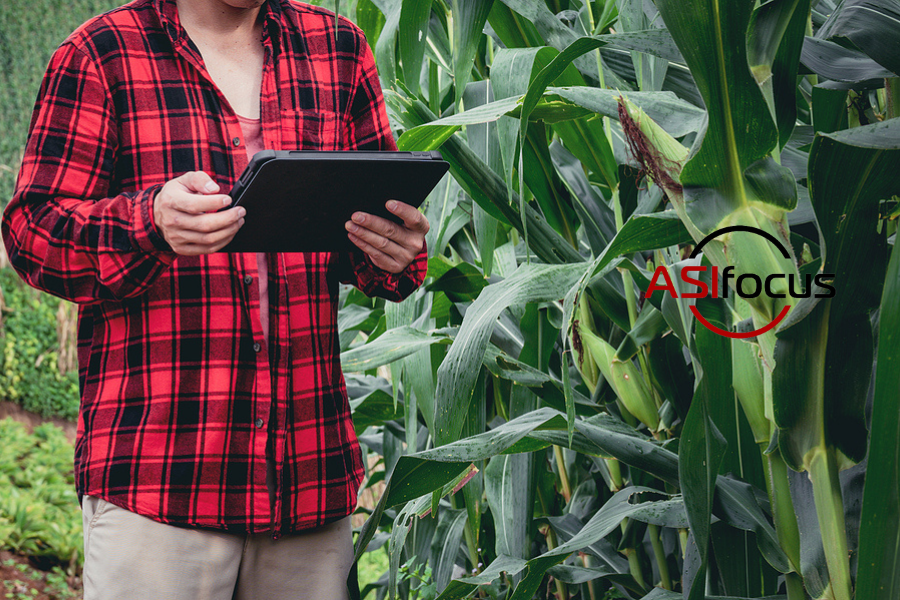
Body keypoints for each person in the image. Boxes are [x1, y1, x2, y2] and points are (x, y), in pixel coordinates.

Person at [2, 0, 430, 597]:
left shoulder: (338, 49)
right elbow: (34, 234)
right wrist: (147, 223)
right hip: (162, 479)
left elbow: (380, 225)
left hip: (307, 480)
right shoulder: (101, 54)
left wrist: (394, 249)